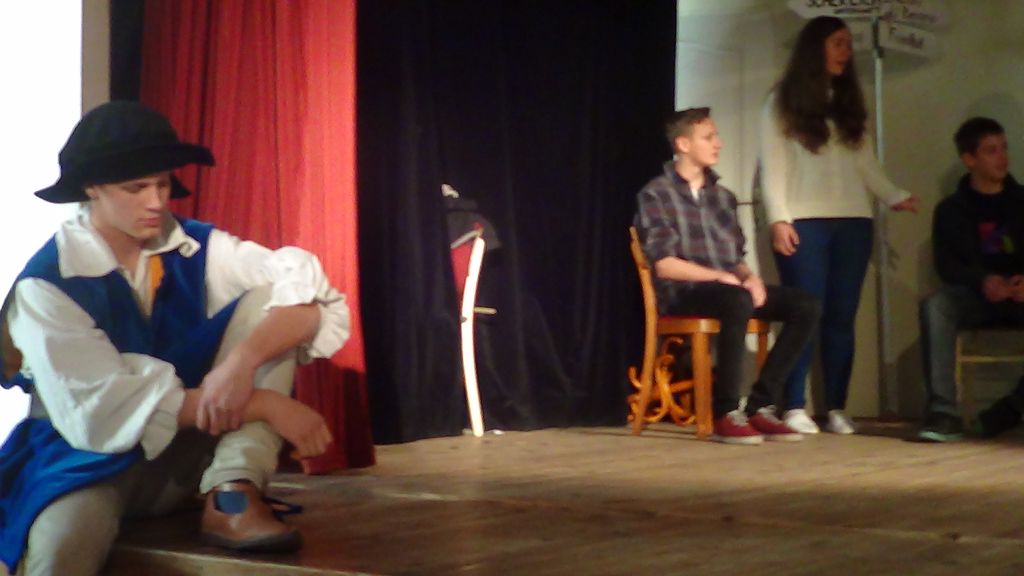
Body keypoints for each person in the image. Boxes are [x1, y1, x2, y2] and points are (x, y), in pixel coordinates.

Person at [0, 101, 350, 576]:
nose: (156, 202)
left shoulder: (193, 245)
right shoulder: (48, 284)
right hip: (82, 460)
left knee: (274, 298)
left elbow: (307, 293)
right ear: (92, 188)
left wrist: (242, 362)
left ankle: (232, 492)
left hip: (184, 455)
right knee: (61, 549)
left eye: (163, 184)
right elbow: (102, 414)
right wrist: (264, 404)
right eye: (136, 188)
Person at [760, 16, 918, 435]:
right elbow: (772, 166)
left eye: (848, 44)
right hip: (803, 222)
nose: (846, 52)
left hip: (854, 221)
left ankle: (835, 407)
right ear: (816, 48)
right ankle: (793, 405)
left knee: (842, 318)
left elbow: (866, 163)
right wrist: (778, 218)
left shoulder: (848, 102)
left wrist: (893, 195)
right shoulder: (782, 100)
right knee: (805, 314)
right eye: (838, 43)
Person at [635, 107, 821, 445]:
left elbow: (735, 259)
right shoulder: (656, 193)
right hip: (683, 292)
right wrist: (720, 278)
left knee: (805, 304)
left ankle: (761, 404)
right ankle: (726, 412)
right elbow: (664, 264)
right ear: (683, 144)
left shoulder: (724, 198)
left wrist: (750, 278)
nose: (718, 143)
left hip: (728, 287)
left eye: (716, 136)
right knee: (735, 299)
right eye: (708, 137)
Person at [918, 117, 1024, 442]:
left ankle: (1013, 408)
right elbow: (948, 265)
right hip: (977, 297)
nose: (1002, 157)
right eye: (991, 151)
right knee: (937, 305)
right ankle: (943, 412)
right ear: (969, 159)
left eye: (1004, 148)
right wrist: (983, 280)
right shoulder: (952, 209)